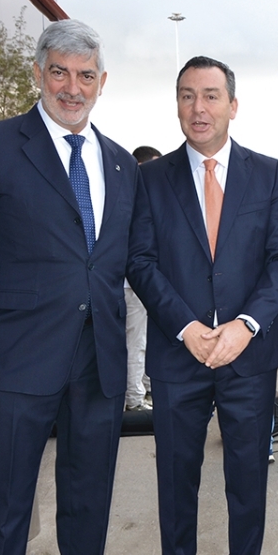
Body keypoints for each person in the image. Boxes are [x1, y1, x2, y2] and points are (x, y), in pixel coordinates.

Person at [0, 19, 141, 555]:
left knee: (88, 507)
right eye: (59, 72)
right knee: (4, 510)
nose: (72, 88)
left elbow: (120, 259)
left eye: (85, 75)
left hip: (97, 362)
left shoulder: (122, 163)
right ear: (38, 73)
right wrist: (17, 311)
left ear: (102, 82)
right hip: (20, 358)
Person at [126, 55, 278, 555]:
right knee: (177, 479)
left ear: (232, 105)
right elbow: (140, 261)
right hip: (181, 354)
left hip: (248, 356)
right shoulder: (150, 178)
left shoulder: (268, 174)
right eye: (186, 95)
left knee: (248, 478)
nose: (197, 108)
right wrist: (186, 327)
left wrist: (245, 324)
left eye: (209, 96)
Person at [124, 145, 161, 412]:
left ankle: (145, 389)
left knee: (144, 341)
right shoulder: (130, 197)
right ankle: (134, 399)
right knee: (135, 343)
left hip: (144, 284)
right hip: (130, 285)